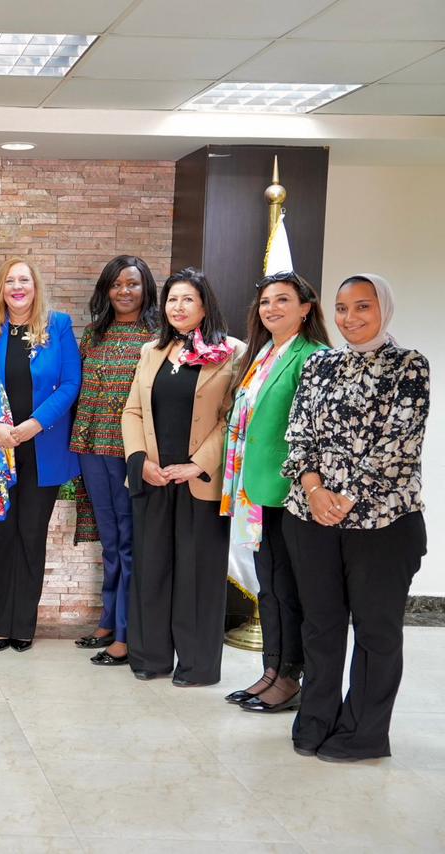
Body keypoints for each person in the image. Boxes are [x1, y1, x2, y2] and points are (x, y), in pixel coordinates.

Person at [282, 274, 428, 762]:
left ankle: (363, 734)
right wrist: (314, 490)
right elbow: (298, 434)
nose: (350, 317)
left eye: (363, 306)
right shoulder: (319, 364)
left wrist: (345, 497)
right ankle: (316, 721)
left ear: (383, 308)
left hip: (384, 523)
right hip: (311, 516)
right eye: (342, 308)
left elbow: (398, 445)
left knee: (375, 631)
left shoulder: (408, 365)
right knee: (321, 625)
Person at [121, 268, 245, 685]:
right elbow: (132, 410)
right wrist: (140, 461)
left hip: (200, 479)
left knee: (197, 575)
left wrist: (198, 463)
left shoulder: (232, 352)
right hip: (154, 476)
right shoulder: (151, 351)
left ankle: (197, 666)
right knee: (151, 569)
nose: (178, 307)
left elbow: (233, 419)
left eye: (188, 299)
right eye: (172, 299)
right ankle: (150, 657)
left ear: (205, 305)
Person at [0, 259, 80, 652]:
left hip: (42, 448)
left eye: (24, 279)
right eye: (10, 281)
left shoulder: (58, 326)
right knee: (0, 536)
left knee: (30, 537)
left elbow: (71, 383)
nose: (17, 286)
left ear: (35, 285)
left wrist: (35, 424)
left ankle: (23, 625)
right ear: (1, 288)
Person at [220, 272, 329, 711]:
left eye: (283, 300)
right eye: (266, 301)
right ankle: (271, 669)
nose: (271, 309)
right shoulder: (263, 353)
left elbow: (314, 432)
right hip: (254, 489)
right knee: (269, 587)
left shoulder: (314, 356)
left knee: (287, 588)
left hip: (289, 491)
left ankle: (289, 676)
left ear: (305, 308)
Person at [69, 255, 159, 666]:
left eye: (132, 284)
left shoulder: (158, 336)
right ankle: (107, 620)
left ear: (146, 289)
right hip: (91, 448)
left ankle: (126, 634)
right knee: (109, 541)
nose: (124, 291)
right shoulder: (93, 334)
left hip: (131, 452)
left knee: (128, 543)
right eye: (117, 284)